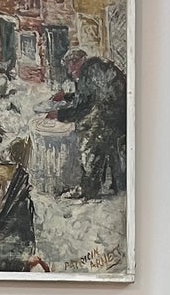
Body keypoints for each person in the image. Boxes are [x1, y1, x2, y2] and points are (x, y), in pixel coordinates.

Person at [53, 49, 127, 197]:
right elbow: (90, 95)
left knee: (89, 145)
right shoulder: (96, 67)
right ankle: (119, 185)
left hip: (109, 116)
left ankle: (88, 190)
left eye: (69, 66)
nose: (69, 71)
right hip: (121, 114)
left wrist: (59, 114)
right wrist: (67, 97)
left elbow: (84, 106)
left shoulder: (87, 72)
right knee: (111, 148)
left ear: (76, 62)